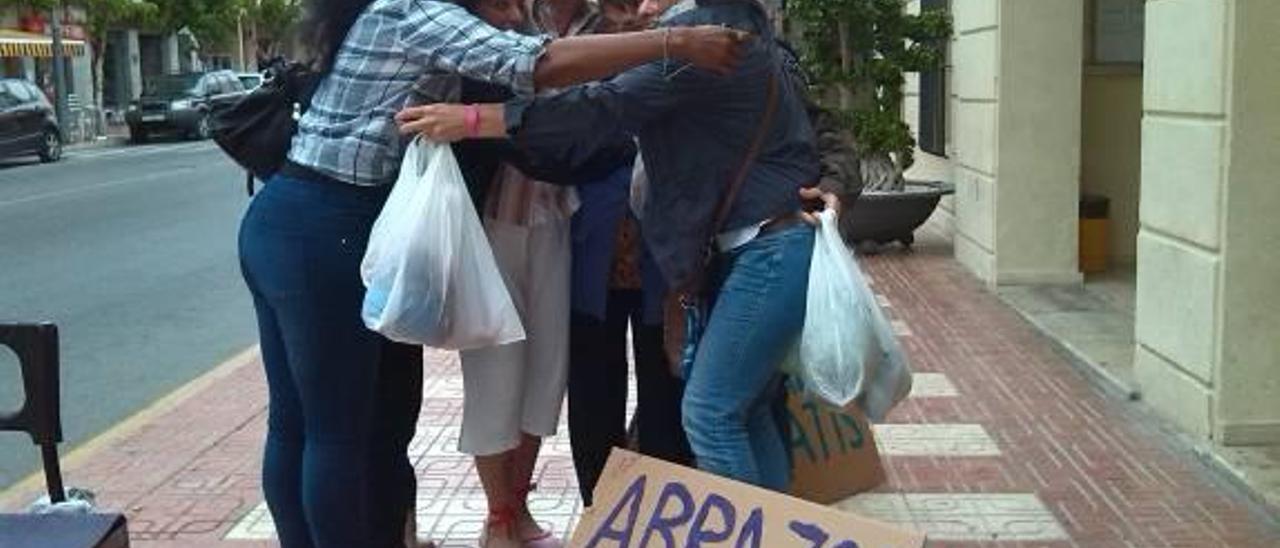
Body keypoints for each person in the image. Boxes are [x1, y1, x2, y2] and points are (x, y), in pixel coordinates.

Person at [236, 0, 748, 545]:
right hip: (326, 228)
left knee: (303, 425)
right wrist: (675, 43)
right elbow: (538, 62)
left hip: (286, 219)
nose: (511, 10)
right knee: (340, 432)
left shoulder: (383, 12)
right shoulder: (412, 11)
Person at [399, 0, 822, 492]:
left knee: (710, 414)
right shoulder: (732, 26)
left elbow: (601, 107)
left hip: (763, 251)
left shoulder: (704, 40)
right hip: (749, 247)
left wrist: (476, 120)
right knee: (744, 413)